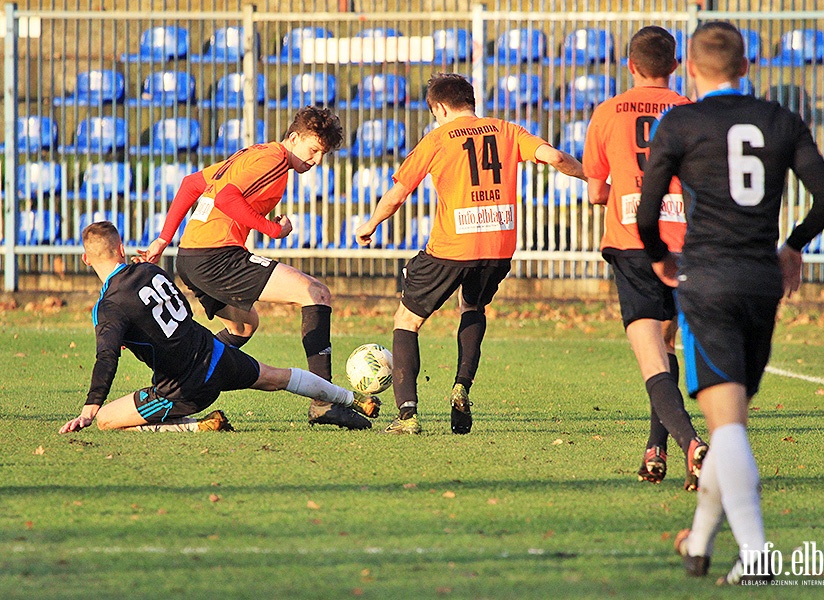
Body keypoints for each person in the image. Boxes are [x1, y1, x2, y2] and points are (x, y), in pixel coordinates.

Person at [636, 22, 824, 584]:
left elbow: (646, 212)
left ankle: (755, 555)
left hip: (706, 282)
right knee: (731, 424)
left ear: (694, 72)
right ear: (746, 68)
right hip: (759, 282)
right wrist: (793, 246)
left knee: (726, 429)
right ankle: (699, 544)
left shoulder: (681, 121)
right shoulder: (781, 120)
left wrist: (659, 257)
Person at [355, 73, 585, 435]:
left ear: (441, 108)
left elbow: (398, 193)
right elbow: (554, 156)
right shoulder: (507, 130)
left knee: (407, 320)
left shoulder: (437, 138)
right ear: (470, 101)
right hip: (498, 245)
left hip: (453, 245)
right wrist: (590, 177)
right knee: (473, 308)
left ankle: (408, 416)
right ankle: (461, 386)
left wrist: (370, 224)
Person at [134, 107, 367, 430]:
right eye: (313, 151)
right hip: (215, 256)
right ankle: (324, 402)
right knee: (316, 292)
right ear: (294, 138)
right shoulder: (273, 160)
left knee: (244, 327)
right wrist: (272, 230)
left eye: (323, 155)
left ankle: (180, 381)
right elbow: (227, 198)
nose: (316, 161)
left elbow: (191, 184)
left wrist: (163, 239)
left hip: (191, 257)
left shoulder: (252, 154)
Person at [60, 222, 381, 435]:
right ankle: (352, 398)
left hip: (185, 387)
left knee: (107, 421)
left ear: (87, 259)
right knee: (277, 376)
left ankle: (197, 426)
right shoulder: (148, 269)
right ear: (120, 249)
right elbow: (181, 310)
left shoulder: (108, 307)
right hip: (215, 353)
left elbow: (107, 357)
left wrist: (90, 408)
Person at [582, 26, 708, 491]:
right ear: (675, 67)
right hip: (683, 242)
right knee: (668, 345)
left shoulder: (608, 111)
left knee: (651, 356)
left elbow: (596, 191)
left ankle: (692, 444)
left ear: (630, 66)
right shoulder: (693, 112)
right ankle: (655, 450)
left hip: (633, 241)